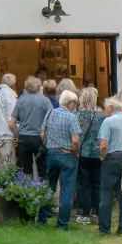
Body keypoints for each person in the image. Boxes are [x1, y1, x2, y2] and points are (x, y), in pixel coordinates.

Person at [96, 96, 122, 235]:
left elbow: (103, 145)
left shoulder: (107, 122)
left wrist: (103, 158)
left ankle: (104, 227)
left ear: (110, 108)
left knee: (106, 193)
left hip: (112, 158)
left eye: (105, 108)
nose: (104, 111)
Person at [41, 89, 82, 229]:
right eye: (75, 104)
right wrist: (76, 153)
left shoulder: (49, 113)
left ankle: (42, 218)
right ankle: (62, 224)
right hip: (67, 154)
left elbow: (42, 134)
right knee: (66, 190)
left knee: (49, 187)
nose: (75, 106)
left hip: (51, 153)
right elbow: (76, 140)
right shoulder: (72, 117)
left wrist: (48, 145)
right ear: (70, 103)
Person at [75, 86, 105, 225]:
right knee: (97, 184)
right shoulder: (101, 115)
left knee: (83, 184)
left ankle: (85, 214)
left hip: (83, 152)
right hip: (98, 153)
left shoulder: (78, 114)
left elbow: (76, 135)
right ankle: (99, 213)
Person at [13, 76, 50, 177]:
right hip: (40, 138)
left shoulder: (20, 100)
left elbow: (11, 123)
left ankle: (27, 190)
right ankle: (43, 191)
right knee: (42, 170)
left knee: (26, 171)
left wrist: (18, 136)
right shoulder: (45, 101)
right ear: (39, 87)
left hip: (24, 137)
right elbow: (51, 119)